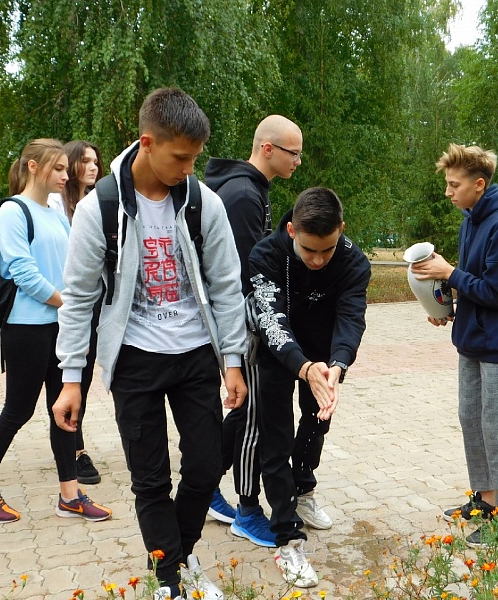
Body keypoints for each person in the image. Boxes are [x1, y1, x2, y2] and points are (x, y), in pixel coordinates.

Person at [52, 88, 248, 600]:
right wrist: (71, 379)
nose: (188, 168)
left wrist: (232, 360)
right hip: (134, 360)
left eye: (194, 158)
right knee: (151, 479)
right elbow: (77, 297)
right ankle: (170, 580)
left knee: (206, 467)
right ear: (147, 143)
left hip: (195, 355)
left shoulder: (204, 202)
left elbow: (227, 286)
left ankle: (175, 555)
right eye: (180, 157)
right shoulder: (102, 207)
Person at [0, 139, 112, 524]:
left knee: (64, 410)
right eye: (59, 169)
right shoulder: (12, 211)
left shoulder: (53, 210)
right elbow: (21, 270)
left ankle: (69, 494)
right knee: (17, 411)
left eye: (68, 169)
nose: (67, 176)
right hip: (27, 328)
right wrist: (68, 302)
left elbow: (68, 263)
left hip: (58, 326)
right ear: (33, 166)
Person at [411, 143, 498, 547]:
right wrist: (446, 306)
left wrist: (449, 272)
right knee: (473, 419)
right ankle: (484, 501)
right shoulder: (472, 219)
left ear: (479, 184)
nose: (448, 192)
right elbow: (473, 280)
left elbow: (497, 292)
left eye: (454, 185)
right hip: (474, 338)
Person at [248, 187, 371, 587]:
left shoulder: (354, 262)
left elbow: (351, 317)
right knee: (276, 440)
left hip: (327, 358)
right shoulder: (265, 255)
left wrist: (338, 365)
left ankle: (305, 489)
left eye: (327, 250)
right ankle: (286, 536)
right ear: (291, 230)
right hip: (279, 354)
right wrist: (302, 367)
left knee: (317, 422)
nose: (318, 261)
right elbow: (270, 320)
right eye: (308, 251)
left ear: (341, 230)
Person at [204, 115, 303, 547]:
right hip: (242, 323)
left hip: (244, 321)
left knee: (247, 412)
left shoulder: (248, 189)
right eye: (292, 152)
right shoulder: (243, 195)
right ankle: (247, 509)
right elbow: (247, 274)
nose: (299, 160)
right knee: (251, 416)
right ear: (267, 148)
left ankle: (205, 484)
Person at [47, 140, 104, 485]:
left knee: (83, 373)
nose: (93, 167)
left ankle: (69, 441)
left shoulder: (99, 203)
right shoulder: (56, 204)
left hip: (94, 302)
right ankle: (75, 450)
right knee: (69, 375)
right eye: (85, 161)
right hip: (64, 304)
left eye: (96, 161)